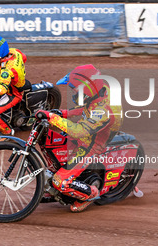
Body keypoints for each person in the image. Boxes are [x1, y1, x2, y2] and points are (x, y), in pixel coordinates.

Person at [35, 64, 122, 212]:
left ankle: (91, 193)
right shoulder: (98, 94)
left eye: (74, 90)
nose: (73, 93)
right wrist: (62, 113)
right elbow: (86, 109)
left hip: (91, 145)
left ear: (86, 90)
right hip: (86, 135)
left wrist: (53, 117)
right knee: (53, 146)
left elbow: (79, 131)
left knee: (60, 181)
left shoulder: (104, 111)